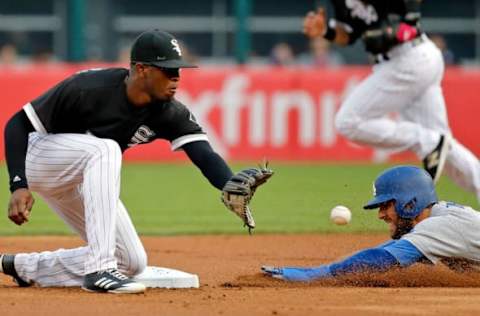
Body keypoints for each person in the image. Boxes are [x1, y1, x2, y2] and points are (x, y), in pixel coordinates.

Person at [1, 29, 272, 294]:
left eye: (179, 71)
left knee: (131, 260)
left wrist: (228, 182)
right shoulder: (90, 87)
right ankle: (99, 270)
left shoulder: (169, 111)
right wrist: (18, 184)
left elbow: (203, 154)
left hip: (80, 174)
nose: (177, 78)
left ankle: (22, 266)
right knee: (106, 149)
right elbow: (17, 124)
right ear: (142, 69)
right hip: (38, 156)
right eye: (169, 70)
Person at [302, 1, 480, 202]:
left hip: (409, 57)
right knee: (445, 149)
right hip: (411, 60)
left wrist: (396, 30)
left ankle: (426, 141)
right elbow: (349, 35)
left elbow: (410, 22)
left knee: (347, 122)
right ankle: (432, 143)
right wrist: (326, 30)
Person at [262, 165, 480, 281]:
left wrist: (314, 274)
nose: (381, 215)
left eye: (386, 205)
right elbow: (387, 249)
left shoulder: (436, 226)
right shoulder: (437, 217)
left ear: (409, 202)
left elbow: (381, 258)